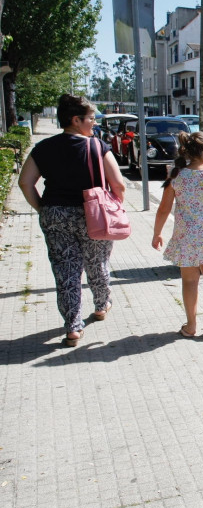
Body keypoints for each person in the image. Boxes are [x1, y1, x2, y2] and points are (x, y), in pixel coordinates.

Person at [18, 94, 126, 347]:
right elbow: (118, 184)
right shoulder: (97, 146)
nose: (94, 123)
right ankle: (101, 305)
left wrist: (43, 208)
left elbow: (25, 183)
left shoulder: (43, 147)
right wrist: (116, 207)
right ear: (76, 120)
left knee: (65, 271)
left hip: (55, 215)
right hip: (93, 215)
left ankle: (73, 327)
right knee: (97, 261)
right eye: (90, 118)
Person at [152, 131, 203, 337]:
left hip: (185, 235)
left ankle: (191, 325)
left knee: (189, 280)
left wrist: (157, 233)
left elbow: (163, 208)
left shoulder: (176, 175)